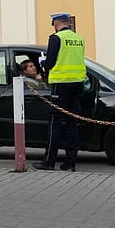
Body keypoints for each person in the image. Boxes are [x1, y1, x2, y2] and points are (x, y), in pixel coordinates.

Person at [33, 13, 86, 172]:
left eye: (53, 22)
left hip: (61, 85)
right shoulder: (79, 38)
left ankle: (49, 161)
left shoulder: (56, 38)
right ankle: (70, 163)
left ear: (57, 23)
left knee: (55, 123)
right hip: (77, 84)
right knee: (72, 124)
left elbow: (50, 62)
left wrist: (43, 65)